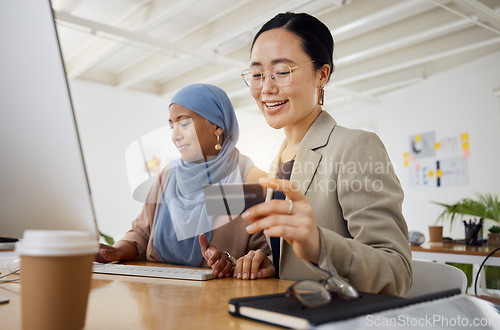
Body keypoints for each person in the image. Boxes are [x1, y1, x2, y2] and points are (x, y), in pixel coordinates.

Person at [237, 12, 412, 296]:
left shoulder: (355, 147)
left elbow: (397, 272)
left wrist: (320, 245)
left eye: (282, 72)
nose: (266, 87)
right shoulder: (276, 164)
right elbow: (296, 264)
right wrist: (269, 262)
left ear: (322, 74)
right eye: (257, 74)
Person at [96, 83, 271, 279]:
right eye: (172, 125)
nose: (175, 135)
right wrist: (117, 250)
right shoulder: (168, 176)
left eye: (184, 123)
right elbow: (141, 233)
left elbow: (265, 257)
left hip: (216, 298)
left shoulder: (251, 181)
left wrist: (230, 261)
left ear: (217, 126)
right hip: (155, 292)